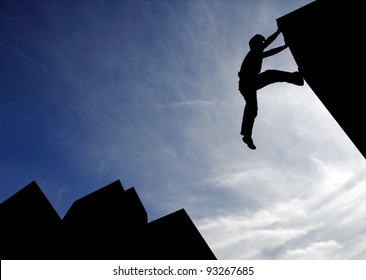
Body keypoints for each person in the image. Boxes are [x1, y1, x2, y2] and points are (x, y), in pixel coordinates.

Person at [238, 28, 304, 150]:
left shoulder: (258, 53)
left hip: (249, 83)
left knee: (252, 107)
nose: (263, 45)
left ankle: (247, 135)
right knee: (270, 75)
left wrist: (284, 46)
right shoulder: (254, 52)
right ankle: (296, 78)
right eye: (261, 43)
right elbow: (269, 44)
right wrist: (279, 32)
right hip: (247, 82)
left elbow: (271, 50)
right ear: (256, 44)